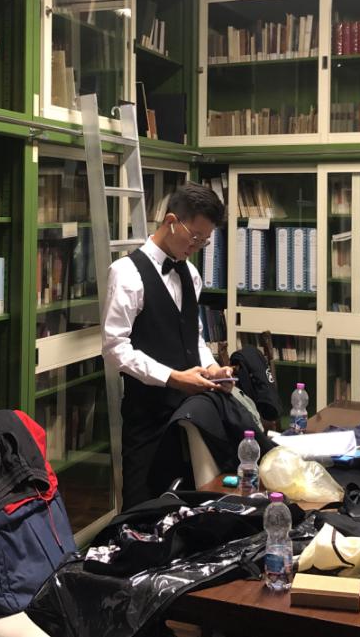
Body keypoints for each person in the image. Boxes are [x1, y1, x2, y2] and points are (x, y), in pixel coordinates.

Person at [102, 181, 231, 508]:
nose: (197, 246)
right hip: (146, 417)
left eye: (205, 241)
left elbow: (193, 334)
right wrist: (172, 377)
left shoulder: (192, 274)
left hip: (189, 416)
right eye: (195, 237)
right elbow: (115, 348)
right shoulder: (126, 273)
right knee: (142, 509)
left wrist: (212, 368)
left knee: (188, 504)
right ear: (172, 221)